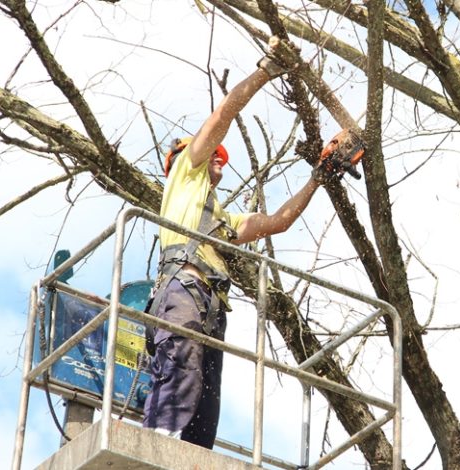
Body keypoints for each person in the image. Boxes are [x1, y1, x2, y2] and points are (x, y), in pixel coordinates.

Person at [142, 39, 329, 450]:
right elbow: (223, 117)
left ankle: (191, 454)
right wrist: (266, 71)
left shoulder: (222, 221)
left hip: (210, 309)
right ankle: (157, 448)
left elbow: (278, 222)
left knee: (206, 401)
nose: (220, 159)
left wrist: (320, 175)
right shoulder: (184, 176)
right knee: (181, 373)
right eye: (215, 154)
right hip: (182, 294)